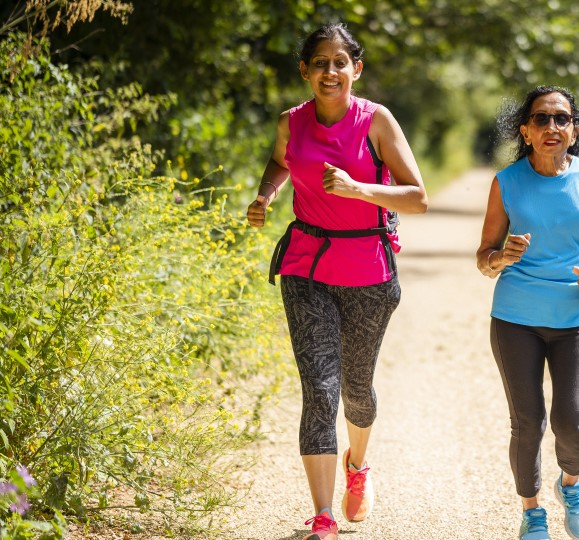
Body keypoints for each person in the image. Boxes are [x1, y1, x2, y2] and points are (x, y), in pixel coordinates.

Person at [246, 23, 428, 540]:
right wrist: (265, 195)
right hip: (306, 267)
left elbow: (418, 197)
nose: (331, 71)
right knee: (320, 390)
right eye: (320, 63)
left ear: (356, 69)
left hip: (369, 270)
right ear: (305, 70)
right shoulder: (291, 122)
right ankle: (322, 515)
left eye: (340, 62)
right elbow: (279, 162)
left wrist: (358, 189)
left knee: (356, 389)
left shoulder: (376, 121)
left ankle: (358, 465)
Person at [476, 86, 579, 540]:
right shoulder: (507, 182)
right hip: (515, 317)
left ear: (575, 130)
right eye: (541, 118)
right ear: (525, 130)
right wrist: (502, 257)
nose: (552, 127)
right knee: (528, 422)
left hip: (577, 317)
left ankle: (571, 487)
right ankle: (532, 512)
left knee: (570, 420)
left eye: (562, 118)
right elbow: (484, 256)